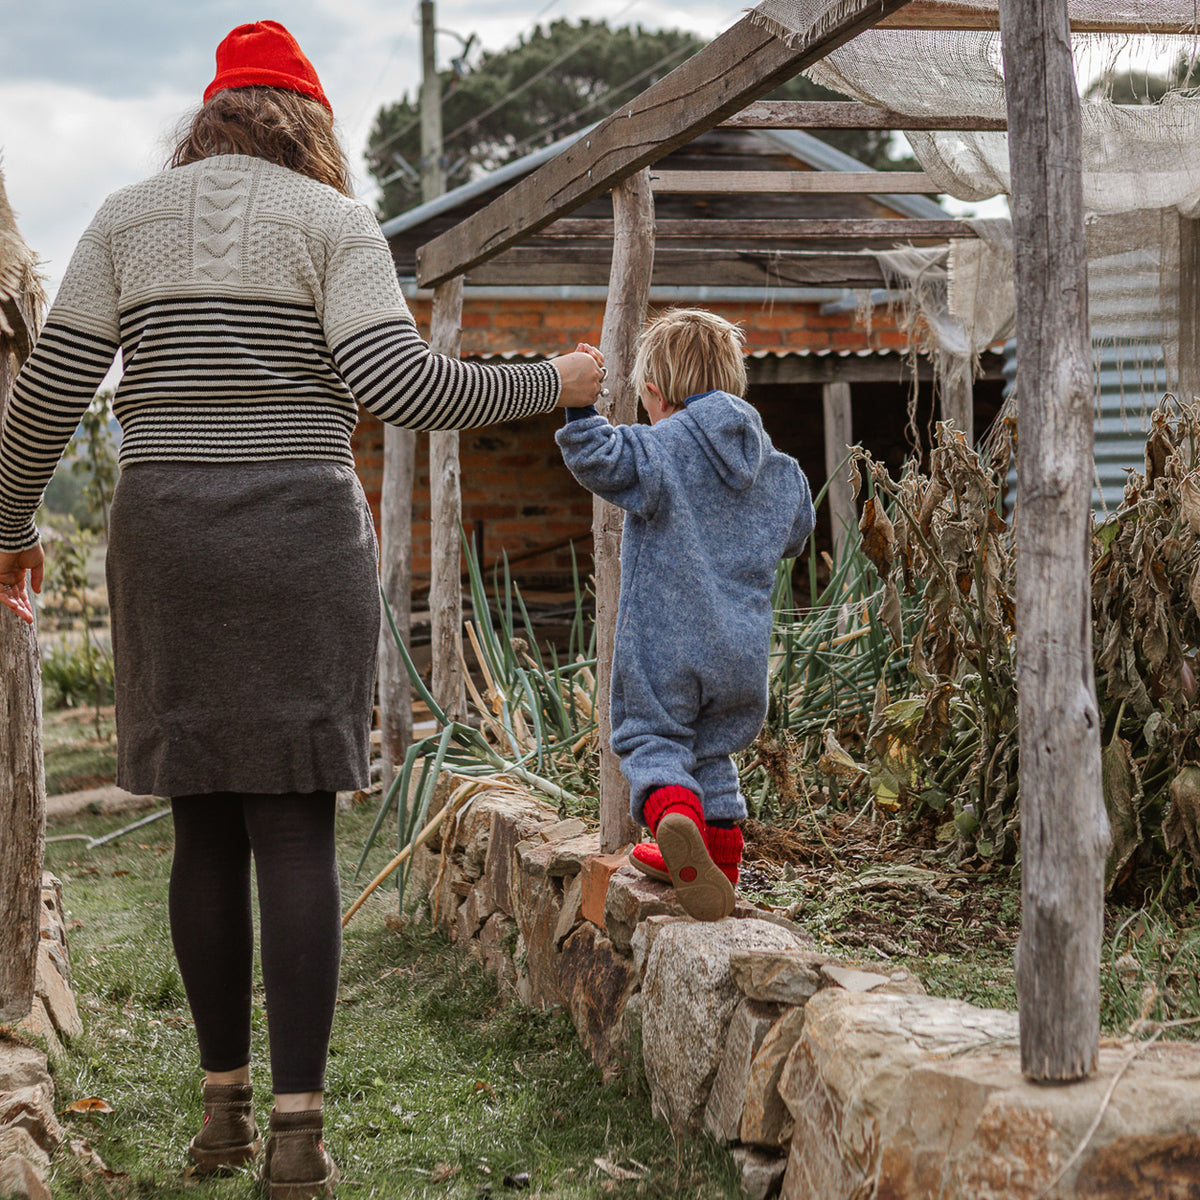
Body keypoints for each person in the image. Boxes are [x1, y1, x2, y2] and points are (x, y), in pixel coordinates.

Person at [0, 20, 604, 1199]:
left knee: (202, 827)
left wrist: (12, 529)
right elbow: (398, 386)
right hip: (299, 537)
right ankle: (297, 1139)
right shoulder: (335, 224)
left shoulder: (125, 217)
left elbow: (44, 400)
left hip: (167, 537)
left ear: (210, 115)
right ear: (312, 123)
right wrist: (557, 381)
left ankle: (220, 1113)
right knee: (293, 826)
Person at [558, 309, 814, 921]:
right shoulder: (777, 467)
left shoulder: (662, 447)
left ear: (654, 390)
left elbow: (596, 455)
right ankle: (716, 870)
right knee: (712, 750)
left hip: (666, 644)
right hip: (742, 653)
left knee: (652, 738)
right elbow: (798, 531)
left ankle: (674, 818)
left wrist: (578, 405)